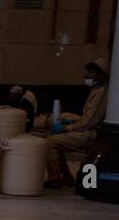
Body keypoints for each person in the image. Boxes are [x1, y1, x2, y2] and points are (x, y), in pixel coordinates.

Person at [45, 57, 109, 188]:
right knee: (54, 141)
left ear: (101, 74)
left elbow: (89, 122)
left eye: (91, 73)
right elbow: (88, 117)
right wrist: (70, 119)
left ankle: (56, 178)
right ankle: (66, 177)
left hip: (89, 134)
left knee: (50, 142)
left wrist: (66, 128)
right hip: (89, 130)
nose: (87, 75)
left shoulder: (101, 93)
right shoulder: (97, 90)